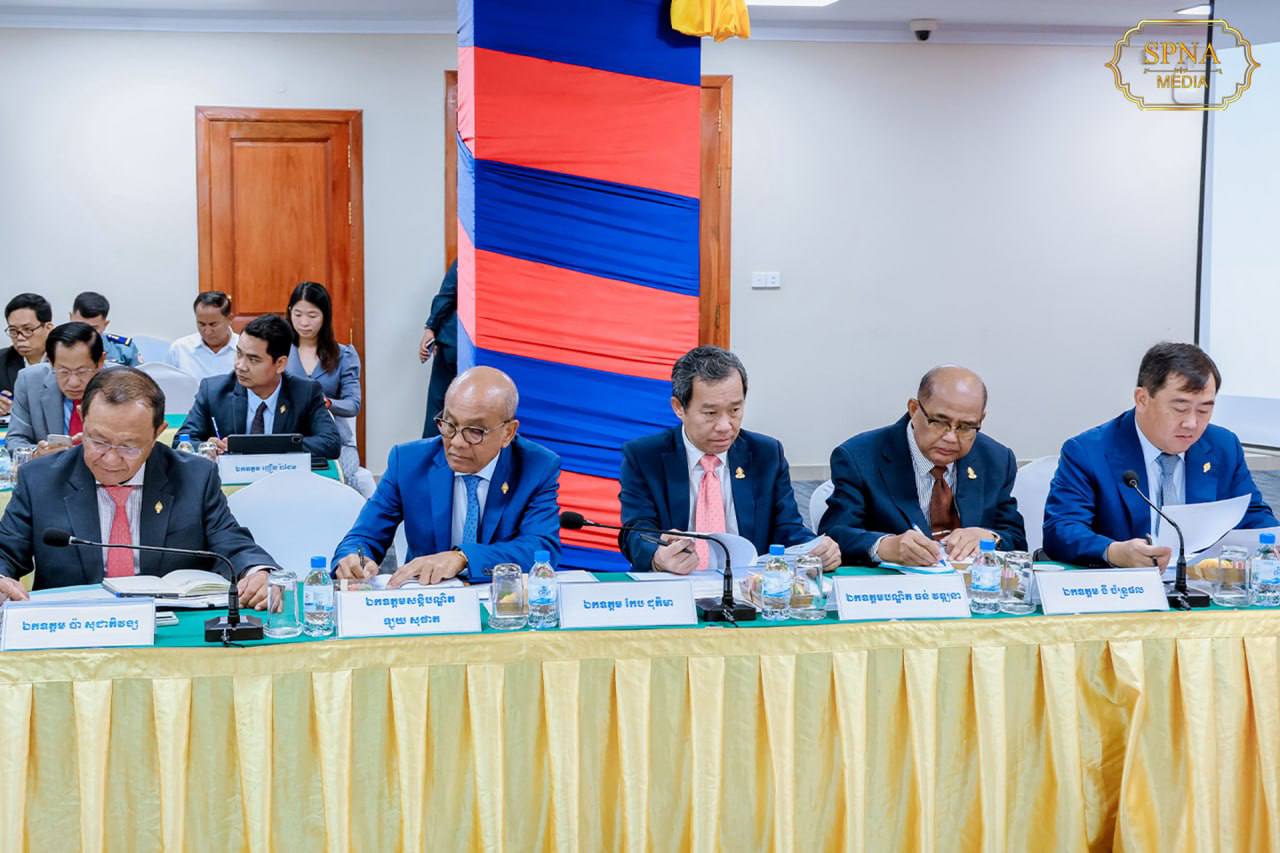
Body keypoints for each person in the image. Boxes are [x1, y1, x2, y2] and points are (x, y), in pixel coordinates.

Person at [0, 367, 275, 607]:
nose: (110, 458)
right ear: (83, 418)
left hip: (167, 628)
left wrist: (256, 572)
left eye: (129, 446)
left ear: (158, 433)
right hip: (72, 627)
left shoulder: (194, 476)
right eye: (98, 441)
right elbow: (5, 551)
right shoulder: (40, 479)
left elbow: (230, 542)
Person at [1043, 342, 1277, 569]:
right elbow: (1061, 529)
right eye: (1180, 408)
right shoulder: (1088, 451)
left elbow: (1252, 514)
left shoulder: (1222, 446)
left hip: (1204, 584)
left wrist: (1273, 543)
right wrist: (1114, 552)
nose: (1192, 423)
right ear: (1142, 399)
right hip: (1125, 586)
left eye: (1204, 410)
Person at [619, 346, 841, 573]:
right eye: (710, 413)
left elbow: (788, 528)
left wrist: (816, 549)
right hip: (675, 583)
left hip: (748, 586)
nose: (725, 426)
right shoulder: (645, 456)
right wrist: (657, 556)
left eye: (735, 410)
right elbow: (636, 532)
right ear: (679, 408)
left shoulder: (766, 454)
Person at [333, 366, 560, 586]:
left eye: (475, 431)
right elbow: (364, 535)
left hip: (504, 601)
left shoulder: (536, 466)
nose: (457, 442)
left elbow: (540, 548)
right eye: (449, 424)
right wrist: (354, 558)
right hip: (430, 600)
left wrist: (463, 557)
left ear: (508, 433)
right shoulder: (408, 462)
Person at [819, 366, 1027, 567]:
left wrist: (990, 537)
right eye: (939, 422)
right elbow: (834, 535)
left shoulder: (996, 460)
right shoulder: (859, 457)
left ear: (981, 419)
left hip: (971, 584)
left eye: (965, 427)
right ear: (914, 409)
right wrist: (884, 546)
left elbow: (1017, 539)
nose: (951, 437)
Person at [175, 313, 341, 459]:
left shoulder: (305, 392)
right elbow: (181, 442)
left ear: (280, 364)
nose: (241, 366)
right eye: (239, 353)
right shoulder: (213, 391)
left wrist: (261, 446)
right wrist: (206, 447)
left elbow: (330, 444)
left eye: (253, 359)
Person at [285, 281, 362, 483]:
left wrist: (326, 403)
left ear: (325, 316)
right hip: (290, 440)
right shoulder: (280, 352)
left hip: (335, 441)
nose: (304, 323)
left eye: (312, 316)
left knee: (344, 478)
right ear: (290, 312)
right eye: (298, 314)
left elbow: (353, 404)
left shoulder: (344, 355)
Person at [8, 322, 107, 456]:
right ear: (51, 362)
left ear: (100, 361)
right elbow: (15, 440)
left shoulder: (122, 384)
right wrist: (37, 454)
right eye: (63, 371)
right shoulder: (29, 380)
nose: (73, 383)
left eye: (82, 371)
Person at [420, 261, 458, 438]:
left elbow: (446, 295)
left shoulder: (469, 253)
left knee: (437, 409)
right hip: (487, 347)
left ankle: (430, 453)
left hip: (452, 341)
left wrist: (431, 328)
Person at [0, 293, 54, 416]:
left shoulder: (64, 359)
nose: (20, 338)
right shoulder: (2, 361)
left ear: (48, 328)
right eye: (13, 331)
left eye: (27, 330)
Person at [165, 291, 239, 380]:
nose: (207, 332)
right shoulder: (179, 349)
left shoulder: (245, 349)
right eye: (202, 324)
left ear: (229, 319)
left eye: (213, 324)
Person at [69, 291, 140, 366]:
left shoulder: (124, 350)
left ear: (105, 325)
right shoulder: (60, 346)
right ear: (71, 318)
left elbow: (140, 373)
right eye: (79, 325)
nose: (84, 333)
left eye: (92, 328)